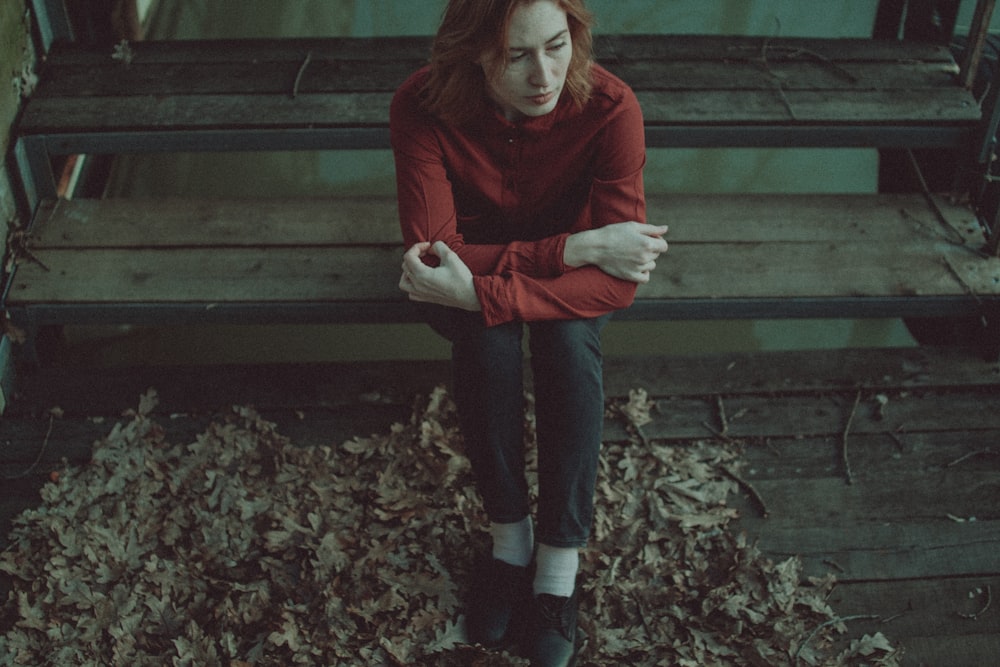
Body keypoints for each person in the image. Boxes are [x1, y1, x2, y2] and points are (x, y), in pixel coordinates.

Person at [389, 1, 667, 664]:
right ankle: (509, 541)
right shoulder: (421, 105)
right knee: (486, 339)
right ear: (472, 52)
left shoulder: (610, 108)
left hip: (504, 282)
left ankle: (557, 567)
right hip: (465, 276)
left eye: (556, 45)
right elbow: (435, 258)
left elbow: (618, 282)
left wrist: (487, 287)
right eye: (517, 55)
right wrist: (574, 249)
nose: (543, 74)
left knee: (568, 341)